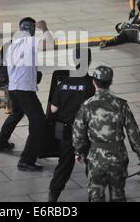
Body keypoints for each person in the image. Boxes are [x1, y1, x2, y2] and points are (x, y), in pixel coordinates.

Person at [73, 65, 140, 202]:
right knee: (118, 194)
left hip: (96, 157)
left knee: (96, 196)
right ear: (111, 82)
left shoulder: (87, 106)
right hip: (118, 156)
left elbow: (79, 132)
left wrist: (78, 152)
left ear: (94, 82)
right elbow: (133, 131)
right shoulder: (121, 105)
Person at [0, 18, 54, 172]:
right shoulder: (29, 41)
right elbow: (50, 44)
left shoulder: (11, 44)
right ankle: (26, 160)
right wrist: (45, 28)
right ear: (32, 29)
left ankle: (2, 142)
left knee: (17, 113)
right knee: (38, 123)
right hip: (25, 90)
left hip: (14, 89)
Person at [47, 47, 95, 202]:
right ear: (89, 62)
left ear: (74, 61)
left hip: (65, 131)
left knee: (64, 164)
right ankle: (94, 194)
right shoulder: (91, 84)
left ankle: (53, 195)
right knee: (91, 163)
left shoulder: (63, 83)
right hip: (85, 131)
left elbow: (53, 109)